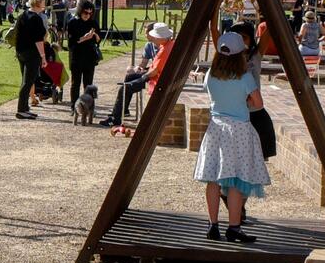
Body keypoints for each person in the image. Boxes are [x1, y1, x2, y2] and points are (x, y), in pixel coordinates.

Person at [194, 31, 270, 242]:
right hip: (239, 130)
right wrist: (243, 103)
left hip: (216, 127)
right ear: (240, 55)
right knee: (236, 181)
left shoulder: (211, 75)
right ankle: (234, 227)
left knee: (213, 178)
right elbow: (258, 103)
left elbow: (210, 96)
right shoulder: (245, 78)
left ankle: (212, 225)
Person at [105, 22, 176, 130]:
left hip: (158, 80)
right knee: (128, 80)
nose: (152, 37)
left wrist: (142, 78)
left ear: (160, 37)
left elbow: (155, 71)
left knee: (124, 88)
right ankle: (121, 111)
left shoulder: (164, 50)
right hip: (158, 76)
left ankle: (116, 118)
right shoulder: (167, 44)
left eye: (154, 35)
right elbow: (152, 67)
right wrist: (139, 72)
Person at [11, 0, 48, 118]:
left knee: (25, 81)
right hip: (32, 53)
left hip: (21, 51)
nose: (44, 3)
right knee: (28, 81)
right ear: (39, 3)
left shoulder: (22, 15)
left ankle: (25, 108)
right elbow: (39, 40)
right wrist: (43, 57)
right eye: (43, 1)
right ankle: (21, 109)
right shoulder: (36, 18)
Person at [64, 0, 102, 115]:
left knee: (88, 84)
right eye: (85, 12)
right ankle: (74, 107)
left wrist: (95, 36)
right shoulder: (73, 23)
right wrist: (84, 38)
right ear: (80, 11)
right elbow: (71, 44)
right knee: (75, 83)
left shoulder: (93, 23)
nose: (88, 15)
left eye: (90, 13)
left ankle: (89, 108)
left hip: (90, 57)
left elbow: (99, 40)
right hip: (76, 56)